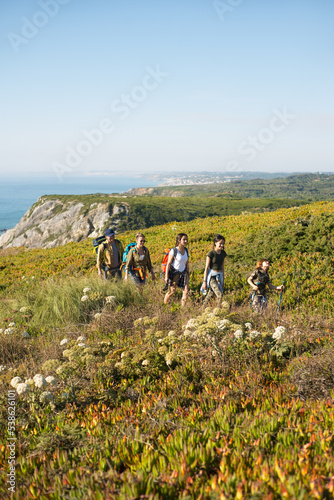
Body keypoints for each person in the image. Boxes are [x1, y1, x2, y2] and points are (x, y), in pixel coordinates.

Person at [164, 233, 189, 308]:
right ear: (179, 240)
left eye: (186, 239)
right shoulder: (174, 250)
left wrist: (188, 273)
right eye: (183, 239)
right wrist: (166, 276)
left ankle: (183, 309)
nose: (185, 241)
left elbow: (187, 263)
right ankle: (165, 304)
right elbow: (168, 264)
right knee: (172, 291)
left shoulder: (186, 250)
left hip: (184, 273)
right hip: (174, 273)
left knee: (186, 291)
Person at [202, 234, 226, 305]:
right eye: (220, 243)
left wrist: (223, 279)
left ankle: (202, 308)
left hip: (219, 276)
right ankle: (218, 310)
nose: (222, 245)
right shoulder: (211, 253)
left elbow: (222, 266)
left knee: (210, 294)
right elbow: (206, 268)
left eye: (223, 244)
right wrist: (205, 281)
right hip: (212, 276)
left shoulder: (223, 253)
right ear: (215, 243)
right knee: (219, 294)